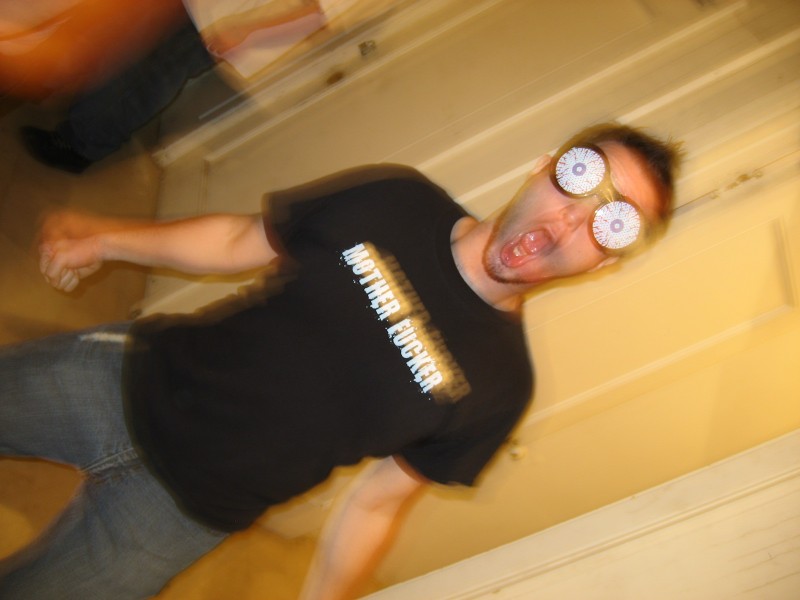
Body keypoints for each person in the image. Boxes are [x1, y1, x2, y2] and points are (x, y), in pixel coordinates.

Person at [0, 122, 679, 599]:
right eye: (578, 179)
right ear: (543, 165)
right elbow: (238, 240)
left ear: (604, 264)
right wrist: (109, 238)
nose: (568, 222)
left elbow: (377, 505)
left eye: (611, 225)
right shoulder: (396, 199)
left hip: (179, 518)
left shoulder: (503, 388)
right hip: (121, 380)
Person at [16, 0, 345, 174]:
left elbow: (321, 11)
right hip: (204, 8)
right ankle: (51, 86)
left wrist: (247, 29)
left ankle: (80, 144)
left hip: (222, 17)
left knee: (148, 78)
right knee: (125, 42)